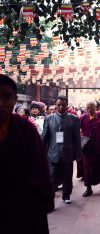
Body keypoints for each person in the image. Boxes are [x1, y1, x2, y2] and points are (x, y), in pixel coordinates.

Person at [0, 75, 54, 234]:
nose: (1, 103)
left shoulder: (26, 130)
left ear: (15, 99)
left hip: (22, 207)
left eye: (7, 97)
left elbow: (40, 171)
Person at [42, 96, 81, 204]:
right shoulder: (49, 118)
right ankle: (50, 198)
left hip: (68, 153)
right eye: (58, 105)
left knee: (67, 176)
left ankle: (66, 195)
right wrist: (39, 151)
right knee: (51, 177)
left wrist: (78, 154)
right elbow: (44, 137)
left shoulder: (74, 119)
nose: (61, 107)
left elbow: (77, 138)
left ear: (67, 106)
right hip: (52, 153)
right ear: (55, 105)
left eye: (63, 105)